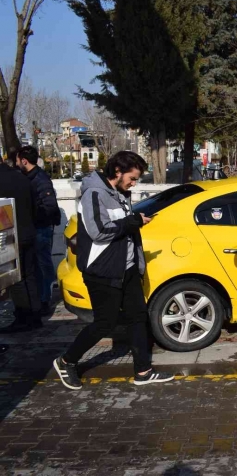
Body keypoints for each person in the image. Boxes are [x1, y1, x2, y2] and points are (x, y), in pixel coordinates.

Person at [52, 151, 173, 390]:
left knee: (138, 317)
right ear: (117, 172)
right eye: (132, 177)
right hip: (103, 271)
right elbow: (99, 231)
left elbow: (123, 228)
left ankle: (143, 371)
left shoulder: (120, 193)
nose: (134, 183)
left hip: (126, 269)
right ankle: (66, 361)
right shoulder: (94, 194)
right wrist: (133, 221)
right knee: (104, 324)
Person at [16, 146, 62, 316]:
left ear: (24, 161)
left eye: (17, 160)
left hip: (42, 228)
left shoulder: (40, 179)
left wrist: (32, 215)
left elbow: (49, 206)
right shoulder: (30, 177)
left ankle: (45, 300)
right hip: (37, 227)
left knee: (43, 265)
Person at [0, 159, 43, 332]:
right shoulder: (22, 178)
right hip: (29, 232)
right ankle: (35, 316)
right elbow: (35, 206)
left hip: (9, 235)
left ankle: (23, 318)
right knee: (29, 275)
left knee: (15, 279)